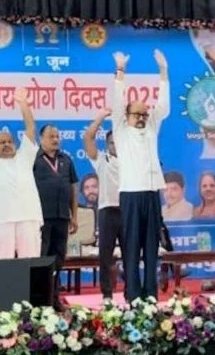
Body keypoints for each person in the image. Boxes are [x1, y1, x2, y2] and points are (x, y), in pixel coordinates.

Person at [111, 49, 170, 302]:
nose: (142, 118)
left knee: (151, 247)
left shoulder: (152, 126)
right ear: (127, 116)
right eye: (137, 114)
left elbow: (164, 106)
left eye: (145, 115)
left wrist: (163, 72)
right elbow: (116, 102)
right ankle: (133, 294)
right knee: (132, 247)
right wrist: (121, 71)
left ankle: (151, 294)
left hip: (151, 193)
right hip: (131, 195)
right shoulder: (121, 130)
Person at [0, 87, 43, 259]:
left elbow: (30, 128)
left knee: (31, 264)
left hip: (28, 216)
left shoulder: (24, 157)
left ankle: (32, 288)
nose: (6, 144)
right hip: (1, 219)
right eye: (2, 142)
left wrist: (23, 104)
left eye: (10, 141)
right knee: (3, 266)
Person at [34, 124, 78, 309]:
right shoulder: (33, 160)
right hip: (41, 218)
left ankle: (54, 297)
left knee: (58, 259)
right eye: (51, 136)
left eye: (57, 136)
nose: (55, 139)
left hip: (61, 217)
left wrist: (73, 215)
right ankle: (38, 298)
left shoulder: (66, 159)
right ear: (41, 139)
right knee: (42, 258)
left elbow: (73, 188)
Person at [83, 109, 123, 300]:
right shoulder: (101, 160)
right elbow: (88, 137)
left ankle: (131, 292)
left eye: (118, 142)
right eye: (112, 143)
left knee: (130, 255)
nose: (115, 146)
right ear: (107, 145)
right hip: (107, 211)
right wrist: (100, 117)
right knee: (105, 256)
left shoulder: (132, 160)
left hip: (127, 211)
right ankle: (107, 295)